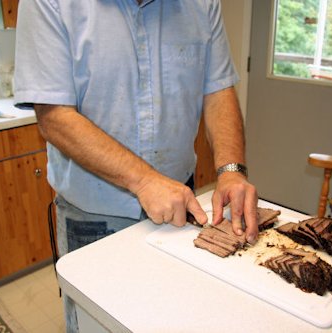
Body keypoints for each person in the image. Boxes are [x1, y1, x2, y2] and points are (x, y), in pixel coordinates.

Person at [14, 0, 258, 331]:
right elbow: (53, 116)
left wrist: (231, 171)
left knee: (170, 318)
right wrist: (144, 181)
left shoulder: (201, 4)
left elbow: (217, 91)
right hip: (93, 217)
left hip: (178, 209)